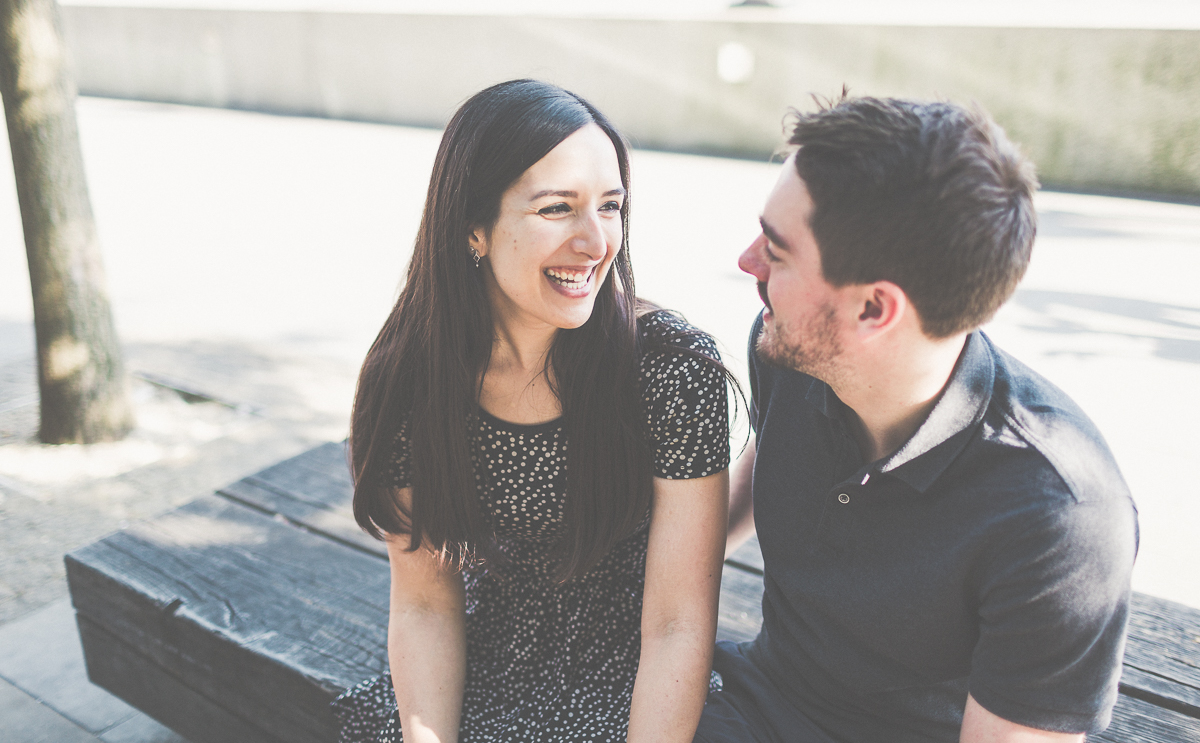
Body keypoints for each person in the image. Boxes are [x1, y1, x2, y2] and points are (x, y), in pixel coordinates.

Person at [697, 96, 1138, 743]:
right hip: (749, 697)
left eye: (777, 250)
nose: (747, 263)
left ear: (875, 310)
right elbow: (762, 469)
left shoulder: (1060, 519)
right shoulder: (793, 353)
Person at [332, 79, 733, 743]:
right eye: (557, 209)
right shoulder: (409, 379)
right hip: (487, 663)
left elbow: (677, 625)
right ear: (472, 230)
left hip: (639, 675)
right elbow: (427, 603)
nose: (596, 241)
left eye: (610, 206)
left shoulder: (671, 368)